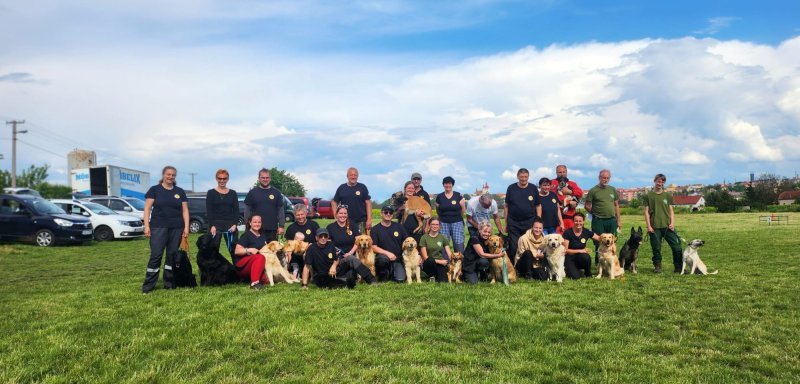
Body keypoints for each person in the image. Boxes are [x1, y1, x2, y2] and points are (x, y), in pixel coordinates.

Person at [142, 166, 190, 294]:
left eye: (173, 175)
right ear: (163, 175)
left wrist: (186, 227)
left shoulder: (180, 191)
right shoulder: (154, 190)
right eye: (168, 174)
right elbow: (147, 209)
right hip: (158, 227)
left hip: (177, 228)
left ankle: (169, 284)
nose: (170, 177)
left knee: (171, 257)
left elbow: (185, 210)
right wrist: (147, 226)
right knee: (156, 256)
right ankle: (148, 287)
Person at [301, 228, 375, 289]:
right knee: (347, 284)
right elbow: (306, 267)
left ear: (327, 237)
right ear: (316, 237)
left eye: (325, 236)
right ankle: (346, 281)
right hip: (322, 276)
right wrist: (304, 285)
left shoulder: (330, 244)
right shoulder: (311, 248)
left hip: (335, 270)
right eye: (320, 236)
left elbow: (337, 259)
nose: (323, 238)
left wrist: (334, 266)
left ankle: (372, 281)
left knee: (351, 258)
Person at [643, 173, 683, 273]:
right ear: (654, 181)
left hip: (668, 226)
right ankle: (658, 266)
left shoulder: (667, 195)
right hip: (654, 226)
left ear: (664, 182)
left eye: (662, 181)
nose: (659, 183)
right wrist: (648, 226)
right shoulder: (648, 196)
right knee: (656, 248)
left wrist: (672, 223)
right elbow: (646, 212)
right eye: (658, 181)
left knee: (677, 246)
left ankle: (678, 268)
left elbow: (671, 211)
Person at [584, 169, 621, 262]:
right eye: (604, 178)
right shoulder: (593, 190)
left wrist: (619, 221)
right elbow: (587, 206)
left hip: (611, 220)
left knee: (612, 241)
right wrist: (595, 213)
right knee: (599, 241)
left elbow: (616, 205)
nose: (605, 180)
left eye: (607, 178)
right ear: (599, 178)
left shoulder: (612, 189)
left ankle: (611, 262)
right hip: (599, 221)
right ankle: (599, 263)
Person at [504, 168, 539, 260]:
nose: (523, 179)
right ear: (517, 177)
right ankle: (515, 267)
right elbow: (506, 206)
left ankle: (528, 266)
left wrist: (538, 220)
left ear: (528, 177)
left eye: (525, 177)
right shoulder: (511, 188)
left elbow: (538, 206)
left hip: (529, 222)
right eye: (521, 177)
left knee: (528, 245)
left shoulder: (533, 188)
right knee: (514, 246)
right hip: (513, 222)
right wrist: (506, 223)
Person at [243, 168, 285, 242]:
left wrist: (281, 226)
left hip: (272, 229)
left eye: (267, 177)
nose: (265, 179)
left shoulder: (276, 193)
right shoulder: (252, 192)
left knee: (272, 252)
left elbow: (280, 211)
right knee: (256, 252)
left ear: (270, 178)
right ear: (259, 178)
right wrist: (248, 226)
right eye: (263, 177)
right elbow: (247, 211)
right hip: (256, 229)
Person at [370, 205, 409, 282]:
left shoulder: (399, 227)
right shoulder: (375, 229)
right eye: (386, 212)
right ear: (381, 214)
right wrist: (388, 253)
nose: (388, 214)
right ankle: (383, 275)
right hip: (383, 258)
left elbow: (407, 241)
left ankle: (392, 272)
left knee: (400, 279)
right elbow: (373, 247)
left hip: (397, 259)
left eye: (390, 212)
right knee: (382, 260)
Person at [205, 169, 239, 255]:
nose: (222, 180)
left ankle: (237, 268)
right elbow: (209, 211)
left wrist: (235, 224)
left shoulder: (233, 193)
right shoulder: (211, 193)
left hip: (230, 225)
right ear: (216, 179)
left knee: (234, 251)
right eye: (220, 178)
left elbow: (236, 210)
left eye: (224, 178)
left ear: (227, 179)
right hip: (215, 226)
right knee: (213, 252)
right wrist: (212, 225)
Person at [233, 215, 270, 289]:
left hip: (258, 263)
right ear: (250, 223)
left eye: (259, 222)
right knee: (260, 257)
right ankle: (254, 283)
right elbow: (237, 251)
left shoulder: (263, 235)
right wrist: (249, 250)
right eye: (255, 222)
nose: (257, 224)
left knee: (267, 280)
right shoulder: (246, 235)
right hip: (243, 265)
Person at [331, 167, 372, 234]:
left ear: (357, 176)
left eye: (355, 175)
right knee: (347, 241)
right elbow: (334, 202)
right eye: (351, 175)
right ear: (347, 176)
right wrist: (336, 217)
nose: (353, 177)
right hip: (346, 222)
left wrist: (369, 219)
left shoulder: (362, 187)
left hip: (361, 221)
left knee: (362, 242)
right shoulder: (341, 188)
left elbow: (368, 203)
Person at [561, 212, 600, 279]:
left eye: (580, 221)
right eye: (576, 221)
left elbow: (600, 238)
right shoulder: (567, 232)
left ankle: (587, 272)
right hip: (569, 257)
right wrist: (580, 251)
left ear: (583, 221)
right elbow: (565, 250)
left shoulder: (586, 231)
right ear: (573, 221)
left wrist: (610, 240)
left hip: (580, 257)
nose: (578, 223)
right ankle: (574, 270)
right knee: (575, 277)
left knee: (586, 257)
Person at [284, 204, 320, 276]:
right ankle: (296, 269)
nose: (300, 217)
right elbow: (289, 247)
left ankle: (310, 271)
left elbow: (319, 241)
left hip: (311, 253)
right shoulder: (291, 228)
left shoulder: (313, 225)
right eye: (297, 215)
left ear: (306, 213)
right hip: (296, 255)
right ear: (294, 215)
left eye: (302, 214)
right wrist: (289, 261)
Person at [434, 176, 466, 253]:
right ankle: (445, 262)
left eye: (449, 183)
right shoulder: (439, 196)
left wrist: (456, 217)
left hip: (457, 222)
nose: (448, 185)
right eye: (446, 183)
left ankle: (460, 263)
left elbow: (463, 210)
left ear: (452, 185)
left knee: (458, 244)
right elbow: (437, 209)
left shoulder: (458, 195)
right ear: (443, 185)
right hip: (443, 223)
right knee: (444, 244)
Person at [550, 165, 583, 231]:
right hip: (556, 217)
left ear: (566, 172)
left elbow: (580, 193)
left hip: (569, 217)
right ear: (556, 173)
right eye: (560, 172)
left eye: (564, 172)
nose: (562, 174)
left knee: (570, 238)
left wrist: (570, 192)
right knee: (557, 239)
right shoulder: (551, 183)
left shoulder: (572, 184)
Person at [419, 217, 451, 282]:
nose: (435, 226)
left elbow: (449, 254)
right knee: (430, 260)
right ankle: (431, 276)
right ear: (429, 225)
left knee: (443, 281)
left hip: (440, 263)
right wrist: (440, 261)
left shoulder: (443, 237)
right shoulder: (424, 237)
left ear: (439, 226)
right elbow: (425, 257)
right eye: (433, 224)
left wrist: (453, 261)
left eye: (437, 224)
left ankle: (437, 275)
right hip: (428, 263)